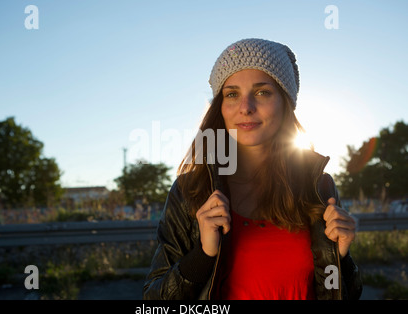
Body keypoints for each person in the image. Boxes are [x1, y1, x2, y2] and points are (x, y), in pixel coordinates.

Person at [143, 38, 362, 300]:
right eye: (232, 94)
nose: (246, 107)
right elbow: (154, 301)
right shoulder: (190, 191)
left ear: (285, 104)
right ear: (220, 108)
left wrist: (342, 258)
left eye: (262, 92)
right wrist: (203, 254)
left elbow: (344, 293)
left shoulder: (318, 187)